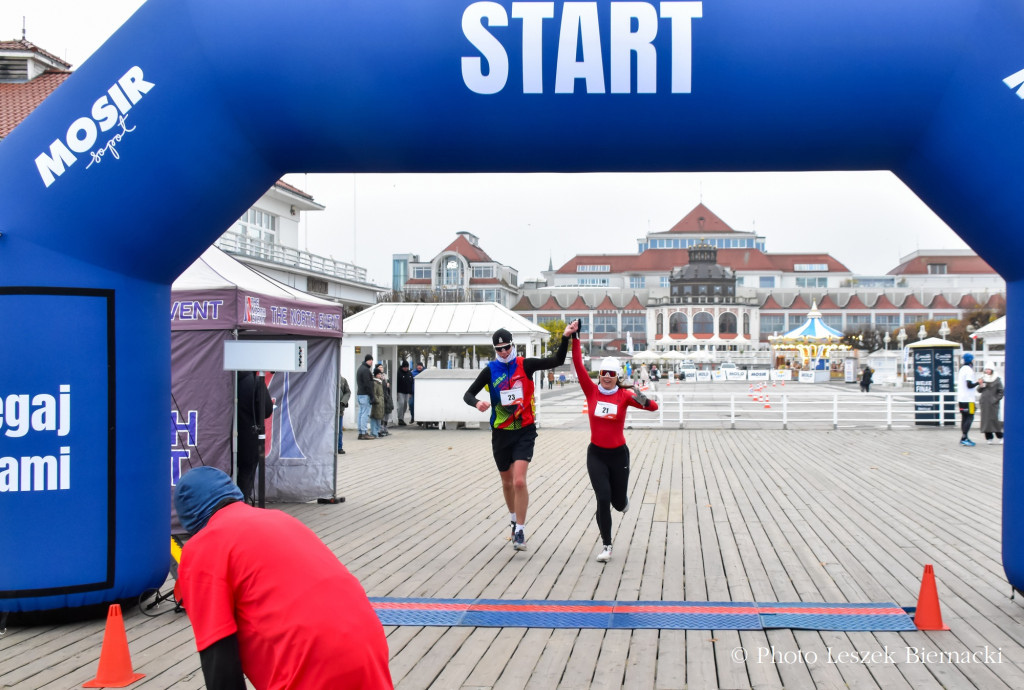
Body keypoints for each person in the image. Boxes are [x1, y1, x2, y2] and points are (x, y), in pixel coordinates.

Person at [174, 467, 393, 690]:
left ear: (189, 517)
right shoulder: (279, 518)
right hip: (368, 648)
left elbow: (218, 656)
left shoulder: (202, 547)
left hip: (311, 664)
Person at [463, 322, 578, 551]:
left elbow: (555, 360)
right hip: (501, 434)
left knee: (518, 480)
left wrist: (565, 338)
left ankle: (521, 532)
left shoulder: (525, 365)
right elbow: (468, 394)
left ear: (513, 345)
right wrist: (478, 403)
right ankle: (514, 520)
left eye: (507, 347)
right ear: (494, 350)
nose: (504, 352)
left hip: (525, 430)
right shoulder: (490, 370)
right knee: (506, 482)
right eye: (499, 349)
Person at [572, 339, 658, 563]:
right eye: (603, 373)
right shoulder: (591, 391)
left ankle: (621, 502)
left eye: (611, 373)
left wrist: (641, 397)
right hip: (596, 455)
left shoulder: (624, 396)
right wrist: (574, 338)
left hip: (619, 455)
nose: (607, 377)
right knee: (603, 498)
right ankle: (607, 545)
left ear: (617, 376)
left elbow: (653, 408)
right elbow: (579, 365)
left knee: (618, 503)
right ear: (599, 374)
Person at [236, 371, 274, 505]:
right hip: (249, 437)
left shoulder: (224, 382)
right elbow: (267, 410)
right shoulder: (256, 382)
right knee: (246, 475)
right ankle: (241, 506)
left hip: (224, 439)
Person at [957, 352, 980, 446]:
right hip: (969, 399)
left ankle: (964, 437)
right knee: (970, 416)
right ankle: (964, 437)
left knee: (964, 417)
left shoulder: (962, 369)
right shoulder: (969, 370)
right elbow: (969, 385)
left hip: (961, 399)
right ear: (970, 360)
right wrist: (978, 382)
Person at [978, 366, 1005, 444]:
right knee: (985, 421)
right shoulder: (983, 378)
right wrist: (981, 385)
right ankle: (989, 437)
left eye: (989, 369)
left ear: (992, 370)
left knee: (994, 420)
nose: (987, 371)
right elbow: (979, 390)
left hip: (993, 403)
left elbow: (1001, 391)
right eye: (986, 369)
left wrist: (995, 399)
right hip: (984, 402)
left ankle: (1000, 436)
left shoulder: (997, 379)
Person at [356, 354, 375, 440]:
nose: (372, 362)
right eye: (371, 360)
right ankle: (364, 432)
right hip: (365, 394)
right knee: (365, 414)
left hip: (360, 394)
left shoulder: (360, 368)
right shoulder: (366, 370)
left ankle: (360, 432)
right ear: (367, 360)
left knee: (361, 413)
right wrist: (372, 396)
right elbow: (368, 384)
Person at [370, 365, 386, 438]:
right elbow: (374, 393)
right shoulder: (375, 383)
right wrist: (378, 400)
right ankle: (374, 432)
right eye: (379, 374)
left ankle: (377, 431)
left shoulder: (380, 382)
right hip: (377, 403)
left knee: (379, 418)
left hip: (380, 403)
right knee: (375, 418)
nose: (380, 375)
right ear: (376, 375)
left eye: (380, 374)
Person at [396, 361, 414, 425]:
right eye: (405, 367)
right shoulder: (399, 373)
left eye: (407, 367)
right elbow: (397, 383)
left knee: (405, 406)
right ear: (402, 367)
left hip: (407, 392)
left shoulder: (409, 373)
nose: (406, 368)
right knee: (401, 404)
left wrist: (410, 392)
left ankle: (402, 418)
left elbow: (411, 382)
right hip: (400, 391)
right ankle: (400, 418)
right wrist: (396, 393)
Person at [338, 374, 351, 454]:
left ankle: (339, 447)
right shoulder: (327, 378)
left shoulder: (343, 380)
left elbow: (348, 392)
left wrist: (343, 402)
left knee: (339, 430)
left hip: (339, 410)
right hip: (328, 411)